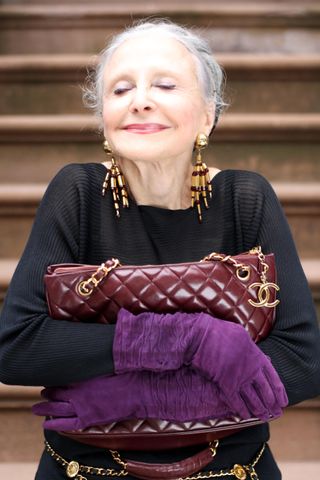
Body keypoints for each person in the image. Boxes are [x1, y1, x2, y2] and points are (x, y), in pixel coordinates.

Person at [0, 19, 320, 480]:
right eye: (120, 89)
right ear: (103, 123)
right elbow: (18, 347)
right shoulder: (77, 193)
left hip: (230, 470)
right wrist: (189, 338)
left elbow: (302, 361)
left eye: (165, 84)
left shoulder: (245, 199)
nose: (141, 99)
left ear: (208, 115)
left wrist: (149, 400)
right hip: (89, 470)